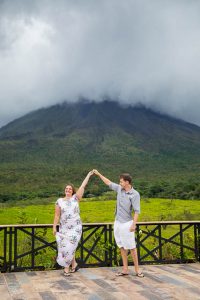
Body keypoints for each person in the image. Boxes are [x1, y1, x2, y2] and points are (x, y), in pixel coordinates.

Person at [93, 170, 144, 277]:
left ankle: (137, 270)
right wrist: (99, 174)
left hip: (127, 223)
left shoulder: (135, 194)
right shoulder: (119, 189)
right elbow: (108, 182)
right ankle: (125, 269)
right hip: (117, 222)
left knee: (132, 247)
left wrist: (134, 224)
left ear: (127, 182)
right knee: (121, 246)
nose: (120, 183)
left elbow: (137, 211)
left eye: (121, 181)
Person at [53, 171, 93, 276]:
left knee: (70, 246)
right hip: (64, 228)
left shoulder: (76, 198)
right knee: (68, 246)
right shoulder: (59, 201)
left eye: (70, 189)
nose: (68, 190)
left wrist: (88, 175)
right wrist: (54, 227)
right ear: (64, 191)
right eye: (66, 189)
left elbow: (83, 186)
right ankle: (74, 264)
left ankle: (66, 268)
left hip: (76, 228)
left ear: (72, 191)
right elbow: (57, 215)